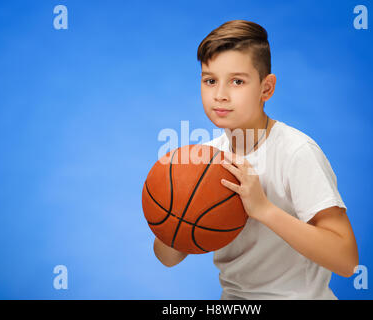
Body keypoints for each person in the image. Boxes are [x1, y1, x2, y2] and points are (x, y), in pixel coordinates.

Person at [153, 19, 358, 300]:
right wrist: (176, 212)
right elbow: (167, 258)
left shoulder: (296, 152)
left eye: (237, 81)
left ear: (266, 88)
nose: (220, 95)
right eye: (210, 80)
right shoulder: (203, 160)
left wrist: (264, 209)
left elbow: (346, 261)